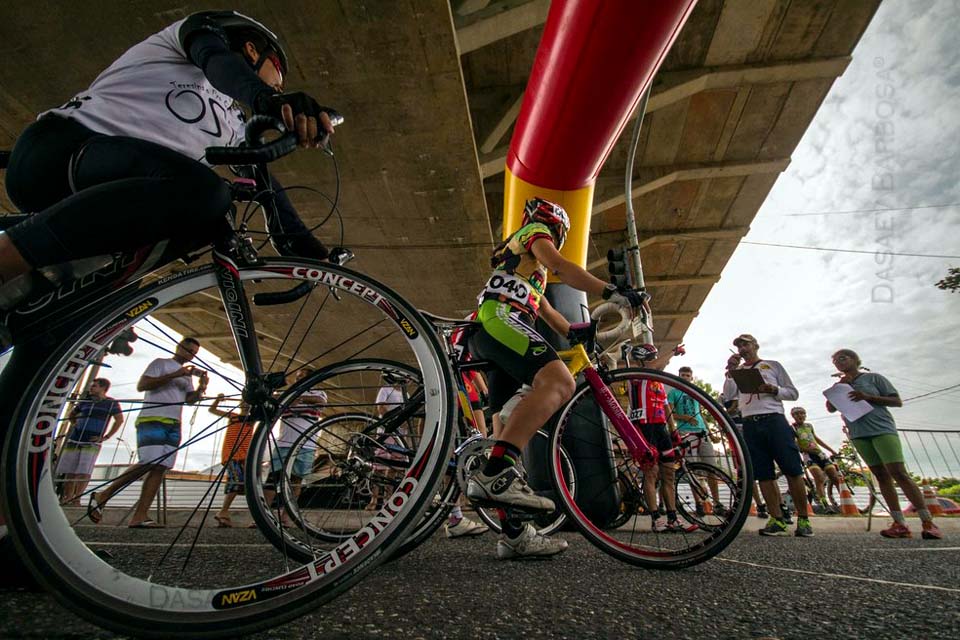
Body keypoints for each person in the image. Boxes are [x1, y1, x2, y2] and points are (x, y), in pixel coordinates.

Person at [0, 10, 337, 310]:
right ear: (252, 49)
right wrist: (267, 100)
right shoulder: (188, 41)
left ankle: (60, 323)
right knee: (205, 191)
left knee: (212, 213)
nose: (279, 88)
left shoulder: (233, 123)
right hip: (61, 149)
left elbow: (264, 182)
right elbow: (217, 60)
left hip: (114, 187)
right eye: (277, 76)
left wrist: (308, 249)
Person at [465, 196, 646, 559]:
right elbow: (564, 266)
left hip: (494, 329)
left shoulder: (528, 270)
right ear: (556, 226)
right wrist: (613, 291)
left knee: (504, 427)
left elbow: (549, 313)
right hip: (502, 320)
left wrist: (581, 332)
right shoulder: (534, 233)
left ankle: (514, 536)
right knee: (561, 383)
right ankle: (492, 472)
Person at [89, 337, 207, 528]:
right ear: (179, 347)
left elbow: (189, 399)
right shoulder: (161, 363)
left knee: (160, 467)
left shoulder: (187, 376)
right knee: (149, 461)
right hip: (152, 418)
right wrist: (175, 374)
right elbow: (142, 385)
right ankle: (104, 494)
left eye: (194, 353)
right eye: (188, 350)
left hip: (174, 422)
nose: (190, 355)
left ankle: (140, 516)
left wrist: (201, 387)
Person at [827, 349, 943, 539]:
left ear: (855, 360)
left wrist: (868, 397)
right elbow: (831, 408)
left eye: (842, 358)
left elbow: (896, 401)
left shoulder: (873, 379)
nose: (838, 362)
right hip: (859, 433)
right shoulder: (840, 384)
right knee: (881, 475)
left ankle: (928, 521)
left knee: (898, 472)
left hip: (881, 429)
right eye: (835, 361)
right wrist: (840, 387)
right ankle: (899, 523)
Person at [722, 334, 811, 537]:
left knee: (792, 469)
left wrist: (774, 389)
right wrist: (730, 372)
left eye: (746, 344)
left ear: (755, 345)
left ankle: (804, 519)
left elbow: (793, 393)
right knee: (763, 473)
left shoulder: (772, 365)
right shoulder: (739, 371)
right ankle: (776, 519)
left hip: (774, 419)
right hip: (750, 422)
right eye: (739, 346)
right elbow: (728, 396)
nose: (742, 348)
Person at [625, 349, 694, 533]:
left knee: (669, 473)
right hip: (644, 426)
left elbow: (664, 405)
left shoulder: (658, 380)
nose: (654, 361)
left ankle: (673, 517)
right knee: (651, 472)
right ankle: (656, 518)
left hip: (660, 427)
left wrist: (673, 430)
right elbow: (653, 366)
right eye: (651, 358)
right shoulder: (636, 374)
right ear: (642, 360)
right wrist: (672, 352)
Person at [263, 367, 326, 527]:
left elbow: (321, 402)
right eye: (298, 377)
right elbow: (274, 399)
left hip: (307, 445)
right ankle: (265, 515)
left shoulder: (318, 393)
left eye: (302, 377)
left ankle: (286, 517)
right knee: (273, 478)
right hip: (284, 443)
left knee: (296, 481)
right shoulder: (288, 394)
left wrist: (298, 398)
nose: (299, 380)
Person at [669, 366, 727, 518]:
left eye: (688, 375)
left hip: (702, 431)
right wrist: (684, 418)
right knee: (691, 469)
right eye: (683, 375)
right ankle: (699, 503)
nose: (685, 377)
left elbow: (700, 412)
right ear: (678, 376)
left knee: (711, 468)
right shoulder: (673, 392)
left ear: (692, 377)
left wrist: (709, 430)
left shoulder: (695, 392)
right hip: (685, 432)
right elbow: (669, 413)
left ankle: (717, 504)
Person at [56, 378, 124, 506]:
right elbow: (72, 414)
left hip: (92, 441)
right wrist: (76, 424)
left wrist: (106, 436)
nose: (91, 388)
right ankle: (67, 497)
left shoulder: (111, 403)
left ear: (103, 388)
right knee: (70, 470)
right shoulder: (85, 401)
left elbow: (119, 420)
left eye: (95, 386)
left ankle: (77, 498)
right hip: (76, 438)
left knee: (84, 471)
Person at [208, 394, 253, 527]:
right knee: (236, 480)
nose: (245, 405)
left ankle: (224, 515)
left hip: (244, 456)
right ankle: (223, 511)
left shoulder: (252, 419)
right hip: (231, 455)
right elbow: (212, 410)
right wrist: (217, 399)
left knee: (243, 484)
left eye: (248, 403)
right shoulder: (232, 416)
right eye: (243, 402)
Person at [789, 406, 841, 513]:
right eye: (797, 414)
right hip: (808, 455)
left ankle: (845, 501)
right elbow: (795, 444)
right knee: (819, 477)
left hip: (819, 453)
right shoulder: (793, 428)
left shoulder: (809, 426)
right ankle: (824, 504)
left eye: (802, 413)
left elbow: (816, 439)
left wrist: (831, 450)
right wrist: (805, 450)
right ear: (793, 416)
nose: (800, 416)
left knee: (835, 477)